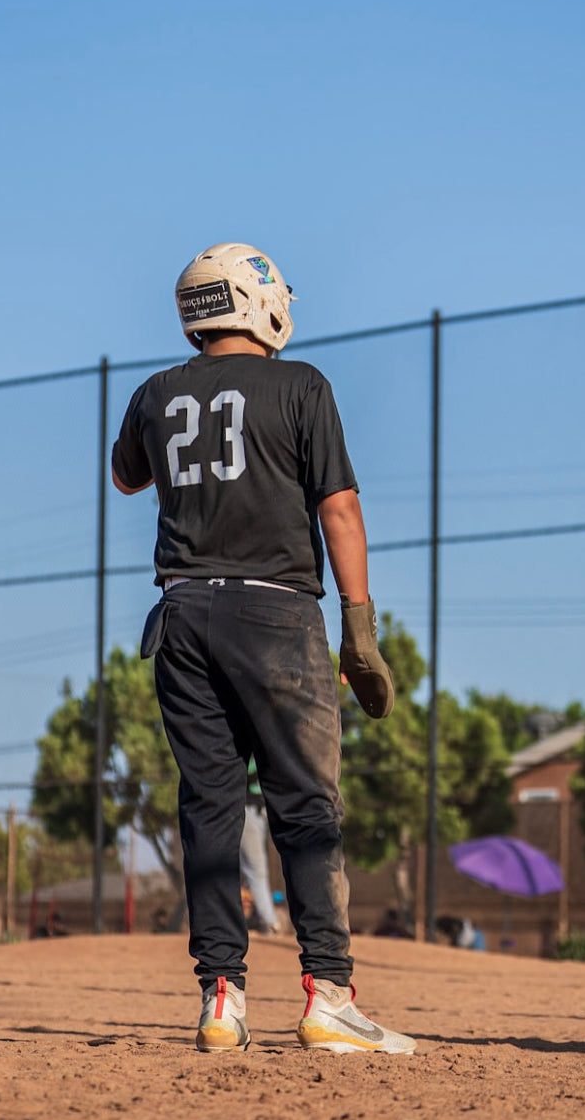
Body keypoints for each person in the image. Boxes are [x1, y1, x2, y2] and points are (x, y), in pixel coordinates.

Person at [111, 242, 415, 1056]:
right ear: (259, 302)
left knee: (209, 806)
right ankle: (328, 995)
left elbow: (127, 478)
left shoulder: (154, 392)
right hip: (277, 613)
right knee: (305, 806)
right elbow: (339, 509)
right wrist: (359, 628)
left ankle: (220, 999)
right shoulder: (302, 385)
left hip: (180, 617)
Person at [239, 763, 280, 935]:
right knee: (256, 868)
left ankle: (257, 918)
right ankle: (269, 921)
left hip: (262, 811)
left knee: (254, 869)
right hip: (247, 810)